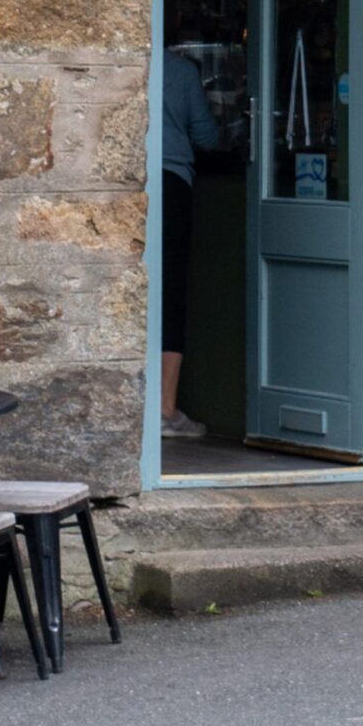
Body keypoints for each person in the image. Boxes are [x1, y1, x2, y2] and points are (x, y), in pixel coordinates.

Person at [158, 37, 235, 439]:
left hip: (129, 185)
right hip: (171, 184)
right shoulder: (182, 72)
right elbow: (206, 138)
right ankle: (165, 408)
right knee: (170, 290)